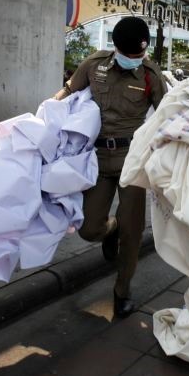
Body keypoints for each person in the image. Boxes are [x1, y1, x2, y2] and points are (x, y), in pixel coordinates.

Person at [54, 16, 167, 317]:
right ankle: (110, 228)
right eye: (131, 54)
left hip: (133, 160)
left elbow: (169, 114)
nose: (137, 59)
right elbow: (67, 92)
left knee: (133, 231)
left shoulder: (151, 75)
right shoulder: (95, 65)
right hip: (98, 159)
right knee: (89, 228)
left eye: (141, 53)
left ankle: (122, 291)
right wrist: (45, 114)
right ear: (116, 48)